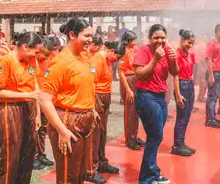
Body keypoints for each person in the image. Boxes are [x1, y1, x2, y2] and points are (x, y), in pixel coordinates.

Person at [39, 17, 97, 183]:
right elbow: (44, 100)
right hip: (68, 120)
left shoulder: (85, 58)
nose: (90, 40)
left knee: (80, 172)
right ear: (72, 34)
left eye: (91, 36)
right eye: (86, 35)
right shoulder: (60, 62)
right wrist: (62, 131)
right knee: (68, 175)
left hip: (86, 118)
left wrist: (91, 110)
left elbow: (85, 87)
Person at [0, 32, 42, 184]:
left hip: (29, 106)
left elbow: (35, 85)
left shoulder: (31, 59)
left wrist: (38, 113)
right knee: (11, 156)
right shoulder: (5, 61)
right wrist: (28, 94)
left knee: (28, 154)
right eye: (35, 51)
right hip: (10, 108)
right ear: (25, 47)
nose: (37, 55)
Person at [133, 24, 178, 184]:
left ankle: (152, 173)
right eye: (156, 37)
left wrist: (173, 59)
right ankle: (147, 178)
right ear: (149, 38)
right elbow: (139, 74)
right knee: (155, 136)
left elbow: (174, 72)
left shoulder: (167, 50)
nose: (160, 41)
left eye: (162, 38)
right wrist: (155, 59)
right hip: (146, 97)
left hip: (160, 97)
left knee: (155, 137)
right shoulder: (143, 51)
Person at [85, 41, 124, 184]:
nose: (117, 61)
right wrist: (92, 106)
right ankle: (90, 169)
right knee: (95, 133)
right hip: (97, 97)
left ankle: (101, 162)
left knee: (102, 132)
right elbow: (90, 83)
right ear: (112, 51)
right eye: (117, 57)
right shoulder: (97, 59)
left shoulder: (106, 60)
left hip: (105, 96)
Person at [171, 29, 197, 157]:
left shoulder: (190, 54)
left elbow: (191, 72)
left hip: (189, 85)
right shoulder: (177, 54)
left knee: (186, 116)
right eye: (188, 42)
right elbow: (175, 76)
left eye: (192, 43)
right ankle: (176, 145)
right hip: (181, 85)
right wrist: (178, 94)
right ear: (182, 40)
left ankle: (181, 142)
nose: (190, 46)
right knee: (181, 117)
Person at [119, 30, 145, 151]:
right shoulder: (123, 52)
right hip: (128, 80)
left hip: (135, 80)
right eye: (133, 40)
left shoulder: (133, 50)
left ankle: (134, 136)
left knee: (136, 111)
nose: (135, 42)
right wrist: (128, 89)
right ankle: (129, 138)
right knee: (129, 112)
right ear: (128, 41)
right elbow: (121, 73)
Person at [34, 37, 56, 170]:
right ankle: (33, 156)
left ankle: (41, 154)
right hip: (34, 98)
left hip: (45, 99)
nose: (47, 57)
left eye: (49, 55)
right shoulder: (32, 61)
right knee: (33, 129)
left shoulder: (48, 60)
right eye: (45, 54)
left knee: (43, 129)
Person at [205, 23, 220, 129]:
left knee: (215, 96)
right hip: (214, 73)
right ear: (218, 32)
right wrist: (211, 75)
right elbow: (207, 59)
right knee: (212, 96)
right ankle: (209, 119)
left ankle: (213, 117)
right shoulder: (212, 44)